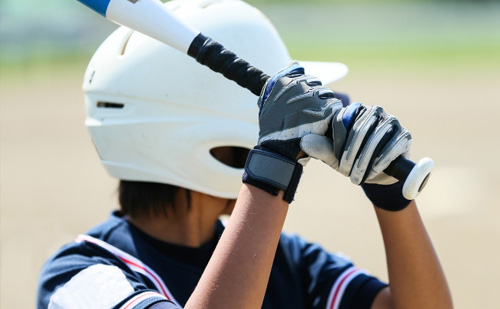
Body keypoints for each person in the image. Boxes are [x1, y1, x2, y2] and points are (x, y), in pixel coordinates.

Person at [37, 0, 452, 308]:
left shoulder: (285, 260)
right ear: (215, 140)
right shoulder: (81, 277)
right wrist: (272, 168)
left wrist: (394, 202)